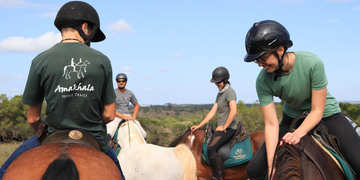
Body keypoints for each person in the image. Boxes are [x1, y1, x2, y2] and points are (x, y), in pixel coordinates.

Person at [0, 1, 125, 179]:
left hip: (52, 134)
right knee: (119, 174)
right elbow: (110, 115)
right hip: (93, 137)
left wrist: (40, 128)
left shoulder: (40, 60)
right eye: (92, 32)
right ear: (84, 27)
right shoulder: (101, 61)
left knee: (4, 171)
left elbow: (32, 118)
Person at [243, 20, 360, 180]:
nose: (260, 64)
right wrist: (271, 166)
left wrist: (298, 134)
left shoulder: (312, 63)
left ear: (280, 49)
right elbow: (271, 124)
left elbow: (317, 110)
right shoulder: (262, 81)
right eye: (257, 61)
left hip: (327, 114)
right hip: (291, 118)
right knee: (254, 171)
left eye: (263, 58)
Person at [191, 66, 239, 180]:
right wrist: (199, 125)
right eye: (216, 82)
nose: (217, 84)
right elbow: (212, 111)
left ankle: (218, 176)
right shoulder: (220, 94)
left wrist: (224, 127)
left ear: (225, 80)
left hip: (230, 128)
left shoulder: (230, 92)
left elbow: (233, 111)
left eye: (218, 82)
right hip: (221, 127)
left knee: (211, 148)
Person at [107, 73, 142, 141]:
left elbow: (136, 105)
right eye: (119, 81)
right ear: (116, 82)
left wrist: (134, 116)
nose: (121, 83)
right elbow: (110, 109)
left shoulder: (130, 93)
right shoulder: (112, 93)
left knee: (143, 133)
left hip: (128, 116)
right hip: (116, 117)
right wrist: (123, 117)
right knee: (109, 132)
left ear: (126, 82)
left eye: (123, 81)